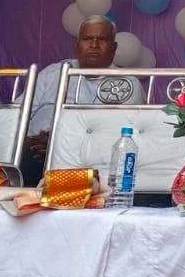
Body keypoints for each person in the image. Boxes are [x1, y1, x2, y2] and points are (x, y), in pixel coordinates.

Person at [25, 15, 136, 186]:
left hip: (85, 157)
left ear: (113, 48)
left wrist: (57, 142)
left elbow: (120, 136)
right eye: (87, 39)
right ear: (76, 45)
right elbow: (21, 114)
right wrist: (29, 141)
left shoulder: (127, 84)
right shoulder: (52, 73)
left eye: (102, 39)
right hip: (34, 150)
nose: (94, 45)